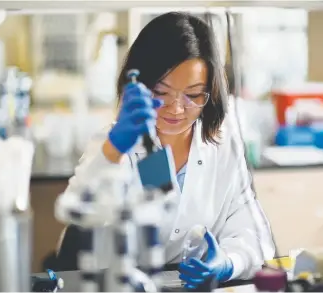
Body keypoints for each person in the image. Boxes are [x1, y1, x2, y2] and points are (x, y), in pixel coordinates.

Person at [57, 11, 275, 289]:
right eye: (161, 91)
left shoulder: (222, 147)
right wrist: (113, 150)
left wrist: (228, 262)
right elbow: (81, 209)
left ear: (211, 93)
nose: (176, 107)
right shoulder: (116, 143)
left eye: (194, 94)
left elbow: (253, 232)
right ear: (138, 85)